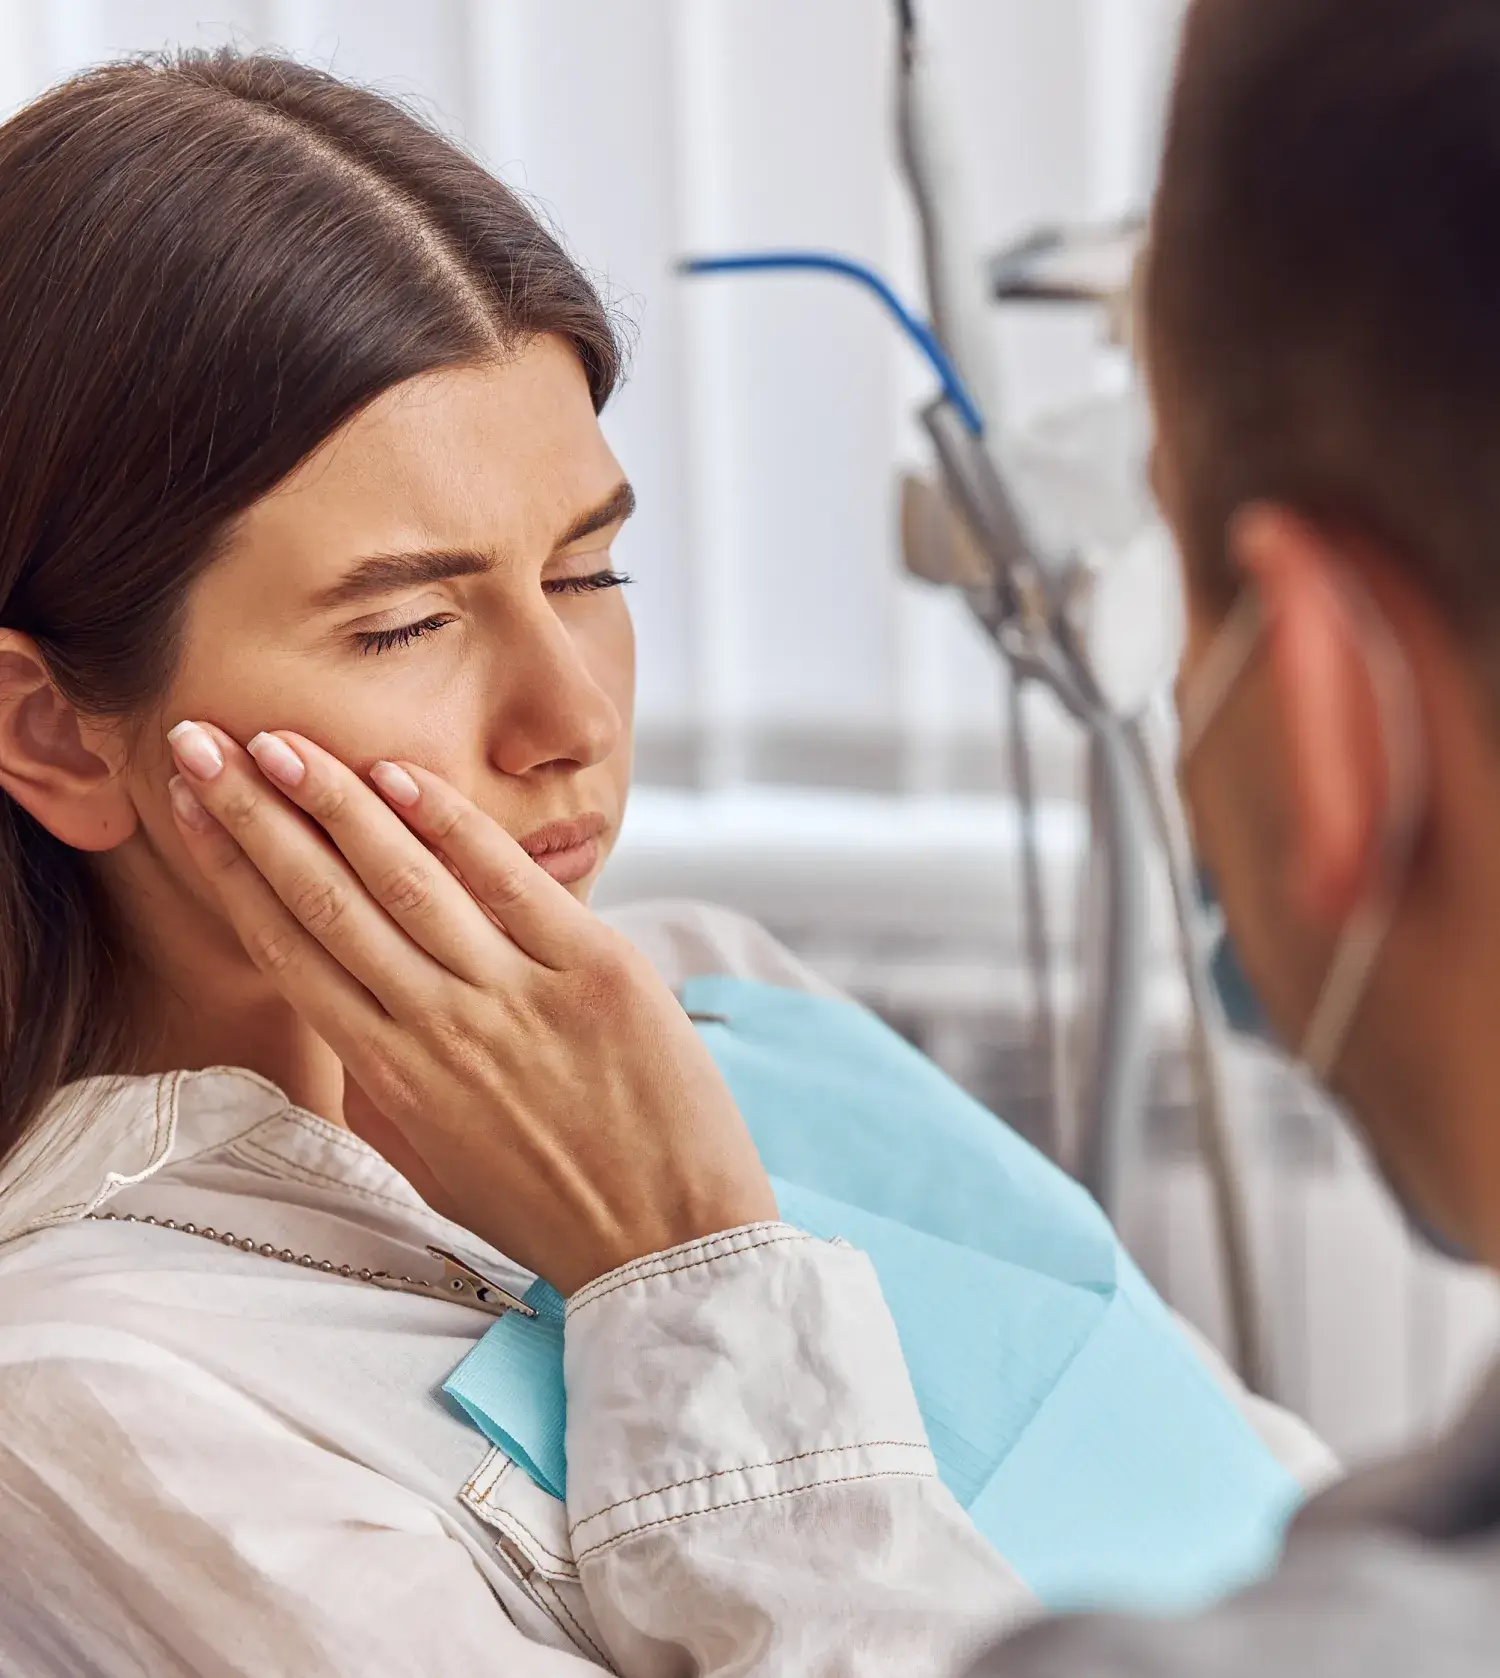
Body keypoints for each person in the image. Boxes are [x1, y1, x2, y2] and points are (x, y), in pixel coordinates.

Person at [81, 0, 1500, 1670]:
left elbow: (1271, 1510)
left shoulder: (723, 996)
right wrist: (678, 1275)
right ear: (49, 728)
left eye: (591, 573)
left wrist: (686, 1259)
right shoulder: (101, 1402)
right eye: (404, 623)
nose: (574, 720)